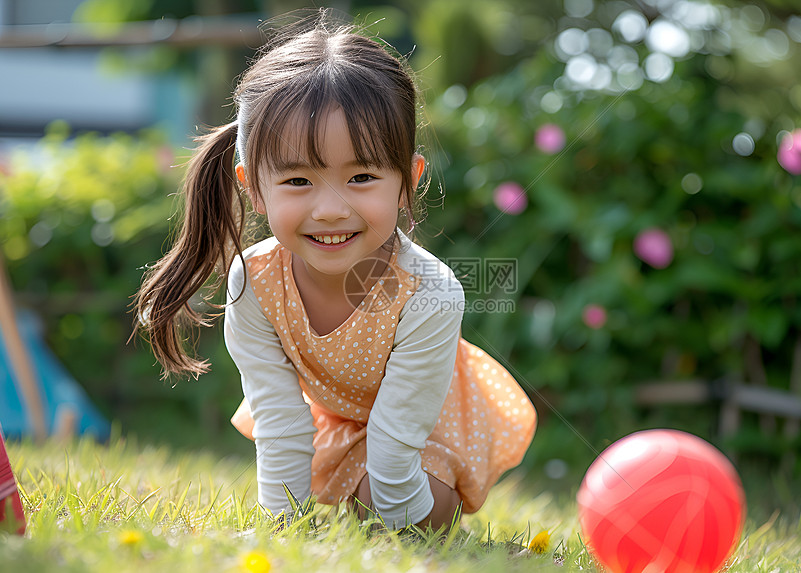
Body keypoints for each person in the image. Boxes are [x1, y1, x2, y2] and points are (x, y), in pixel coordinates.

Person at [134, 10, 536, 531]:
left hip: (426, 424)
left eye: (362, 176)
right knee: (349, 493)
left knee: (386, 504)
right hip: (337, 418)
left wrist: (394, 522)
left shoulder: (428, 293)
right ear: (253, 186)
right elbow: (279, 420)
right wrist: (284, 526)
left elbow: (395, 447)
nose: (329, 209)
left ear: (406, 180)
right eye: (298, 180)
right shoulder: (254, 283)